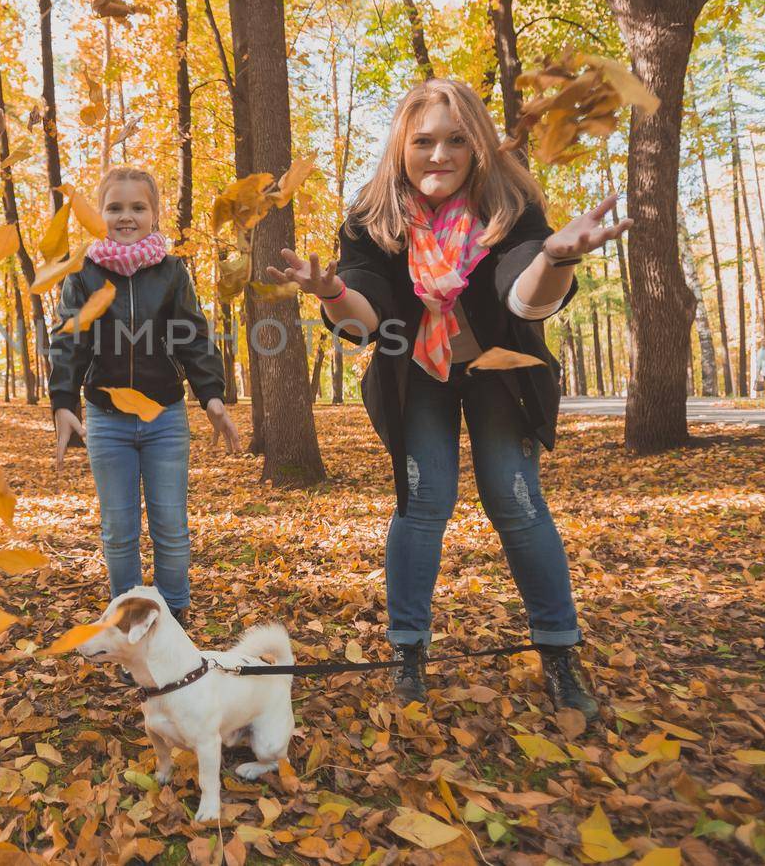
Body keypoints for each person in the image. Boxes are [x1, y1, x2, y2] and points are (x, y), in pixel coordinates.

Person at [266, 78, 628, 719]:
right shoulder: (371, 218)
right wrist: (330, 294)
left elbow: (525, 296)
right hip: (418, 377)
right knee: (423, 499)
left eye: (456, 140)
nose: (439, 154)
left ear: (478, 145)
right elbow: (366, 315)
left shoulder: (509, 204)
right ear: (401, 147)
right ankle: (408, 653)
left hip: (502, 375)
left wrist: (555, 257)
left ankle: (559, 652)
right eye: (424, 141)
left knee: (515, 501)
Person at [49, 166, 242, 631]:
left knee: (171, 529)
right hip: (107, 420)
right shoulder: (83, 273)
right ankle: (130, 621)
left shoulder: (172, 272)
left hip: (164, 419)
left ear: (155, 215)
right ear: (100, 214)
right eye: (115, 207)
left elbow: (193, 338)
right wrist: (63, 404)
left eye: (138, 207)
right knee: (119, 532)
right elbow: (69, 340)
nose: (126, 216)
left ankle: (173, 616)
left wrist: (211, 396)